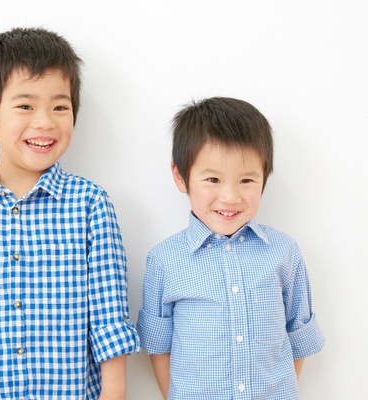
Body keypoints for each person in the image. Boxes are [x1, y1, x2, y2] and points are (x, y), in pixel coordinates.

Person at [0, 27, 140, 400]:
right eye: (25, 106)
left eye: (60, 107)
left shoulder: (90, 205)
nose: (45, 122)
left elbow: (109, 319)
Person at [137, 97, 325, 399]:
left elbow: (299, 335)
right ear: (181, 176)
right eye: (213, 179)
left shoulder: (284, 251)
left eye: (246, 180)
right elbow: (158, 345)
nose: (230, 197)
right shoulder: (164, 260)